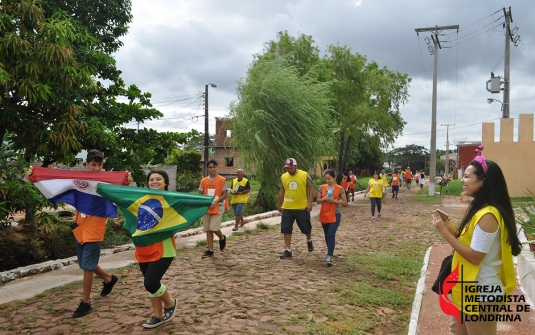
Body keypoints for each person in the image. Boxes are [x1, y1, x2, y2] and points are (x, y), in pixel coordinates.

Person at [29, 149, 131, 318]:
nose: (96, 168)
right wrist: (35, 174)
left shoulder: (106, 182)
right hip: (80, 226)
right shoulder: (78, 180)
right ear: (86, 164)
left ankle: (85, 303)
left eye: (99, 165)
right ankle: (108, 279)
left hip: (95, 228)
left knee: (87, 267)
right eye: (93, 165)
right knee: (85, 263)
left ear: (102, 165)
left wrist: (126, 180)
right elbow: (58, 181)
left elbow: (121, 189)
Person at [432, 148, 522, 335]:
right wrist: (453, 230)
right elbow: (474, 245)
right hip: (468, 289)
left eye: (466, 176)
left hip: (481, 295)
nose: (462, 181)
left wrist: (444, 232)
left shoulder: (488, 215)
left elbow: (475, 257)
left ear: (483, 182)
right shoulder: (481, 210)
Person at [137, 170, 177, 328]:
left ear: (165, 182)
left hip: (163, 247)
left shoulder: (172, 199)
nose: (154, 182)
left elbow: (192, 204)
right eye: (151, 179)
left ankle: (170, 303)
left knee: (151, 282)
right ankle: (157, 316)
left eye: (158, 179)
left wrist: (210, 200)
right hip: (143, 247)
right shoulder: (140, 199)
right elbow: (122, 198)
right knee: (151, 284)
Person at [277, 158, 315, 259]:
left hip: (301, 207)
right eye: (287, 168)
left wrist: (310, 203)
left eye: (291, 167)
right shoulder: (283, 177)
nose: (289, 170)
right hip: (287, 208)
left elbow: (311, 189)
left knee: (306, 228)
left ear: (296, 166)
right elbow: (281, 191)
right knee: (286, 229)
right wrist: (279, 204)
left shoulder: (304, 175)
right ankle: (288, 249)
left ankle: (309, 240)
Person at [316, 169, 348, 266]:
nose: (327, 180)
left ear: (334, 178)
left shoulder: (340, 188)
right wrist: (324, 199)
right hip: (324, 214)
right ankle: (330, 250)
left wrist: (335, 201)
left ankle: (329, 256)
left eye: (329, 178)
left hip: (335, 214)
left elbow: (345, 203)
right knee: (326, 234)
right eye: (326, 178)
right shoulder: (322, 187)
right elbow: (317, 201)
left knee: (330, 234)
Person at [199, 159, 228, 257]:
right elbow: (200, 194)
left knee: (214, 228)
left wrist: (216, 201)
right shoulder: (203, 181)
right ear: (207, 168)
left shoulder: (221, 180)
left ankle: (222, 237)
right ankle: (210, 250)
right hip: (206, 208)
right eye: (210, 167)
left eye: (213, 167)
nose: (212, 169)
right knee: (208, 229)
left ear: (216, 167)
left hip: (218, 207)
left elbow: (225, 195)